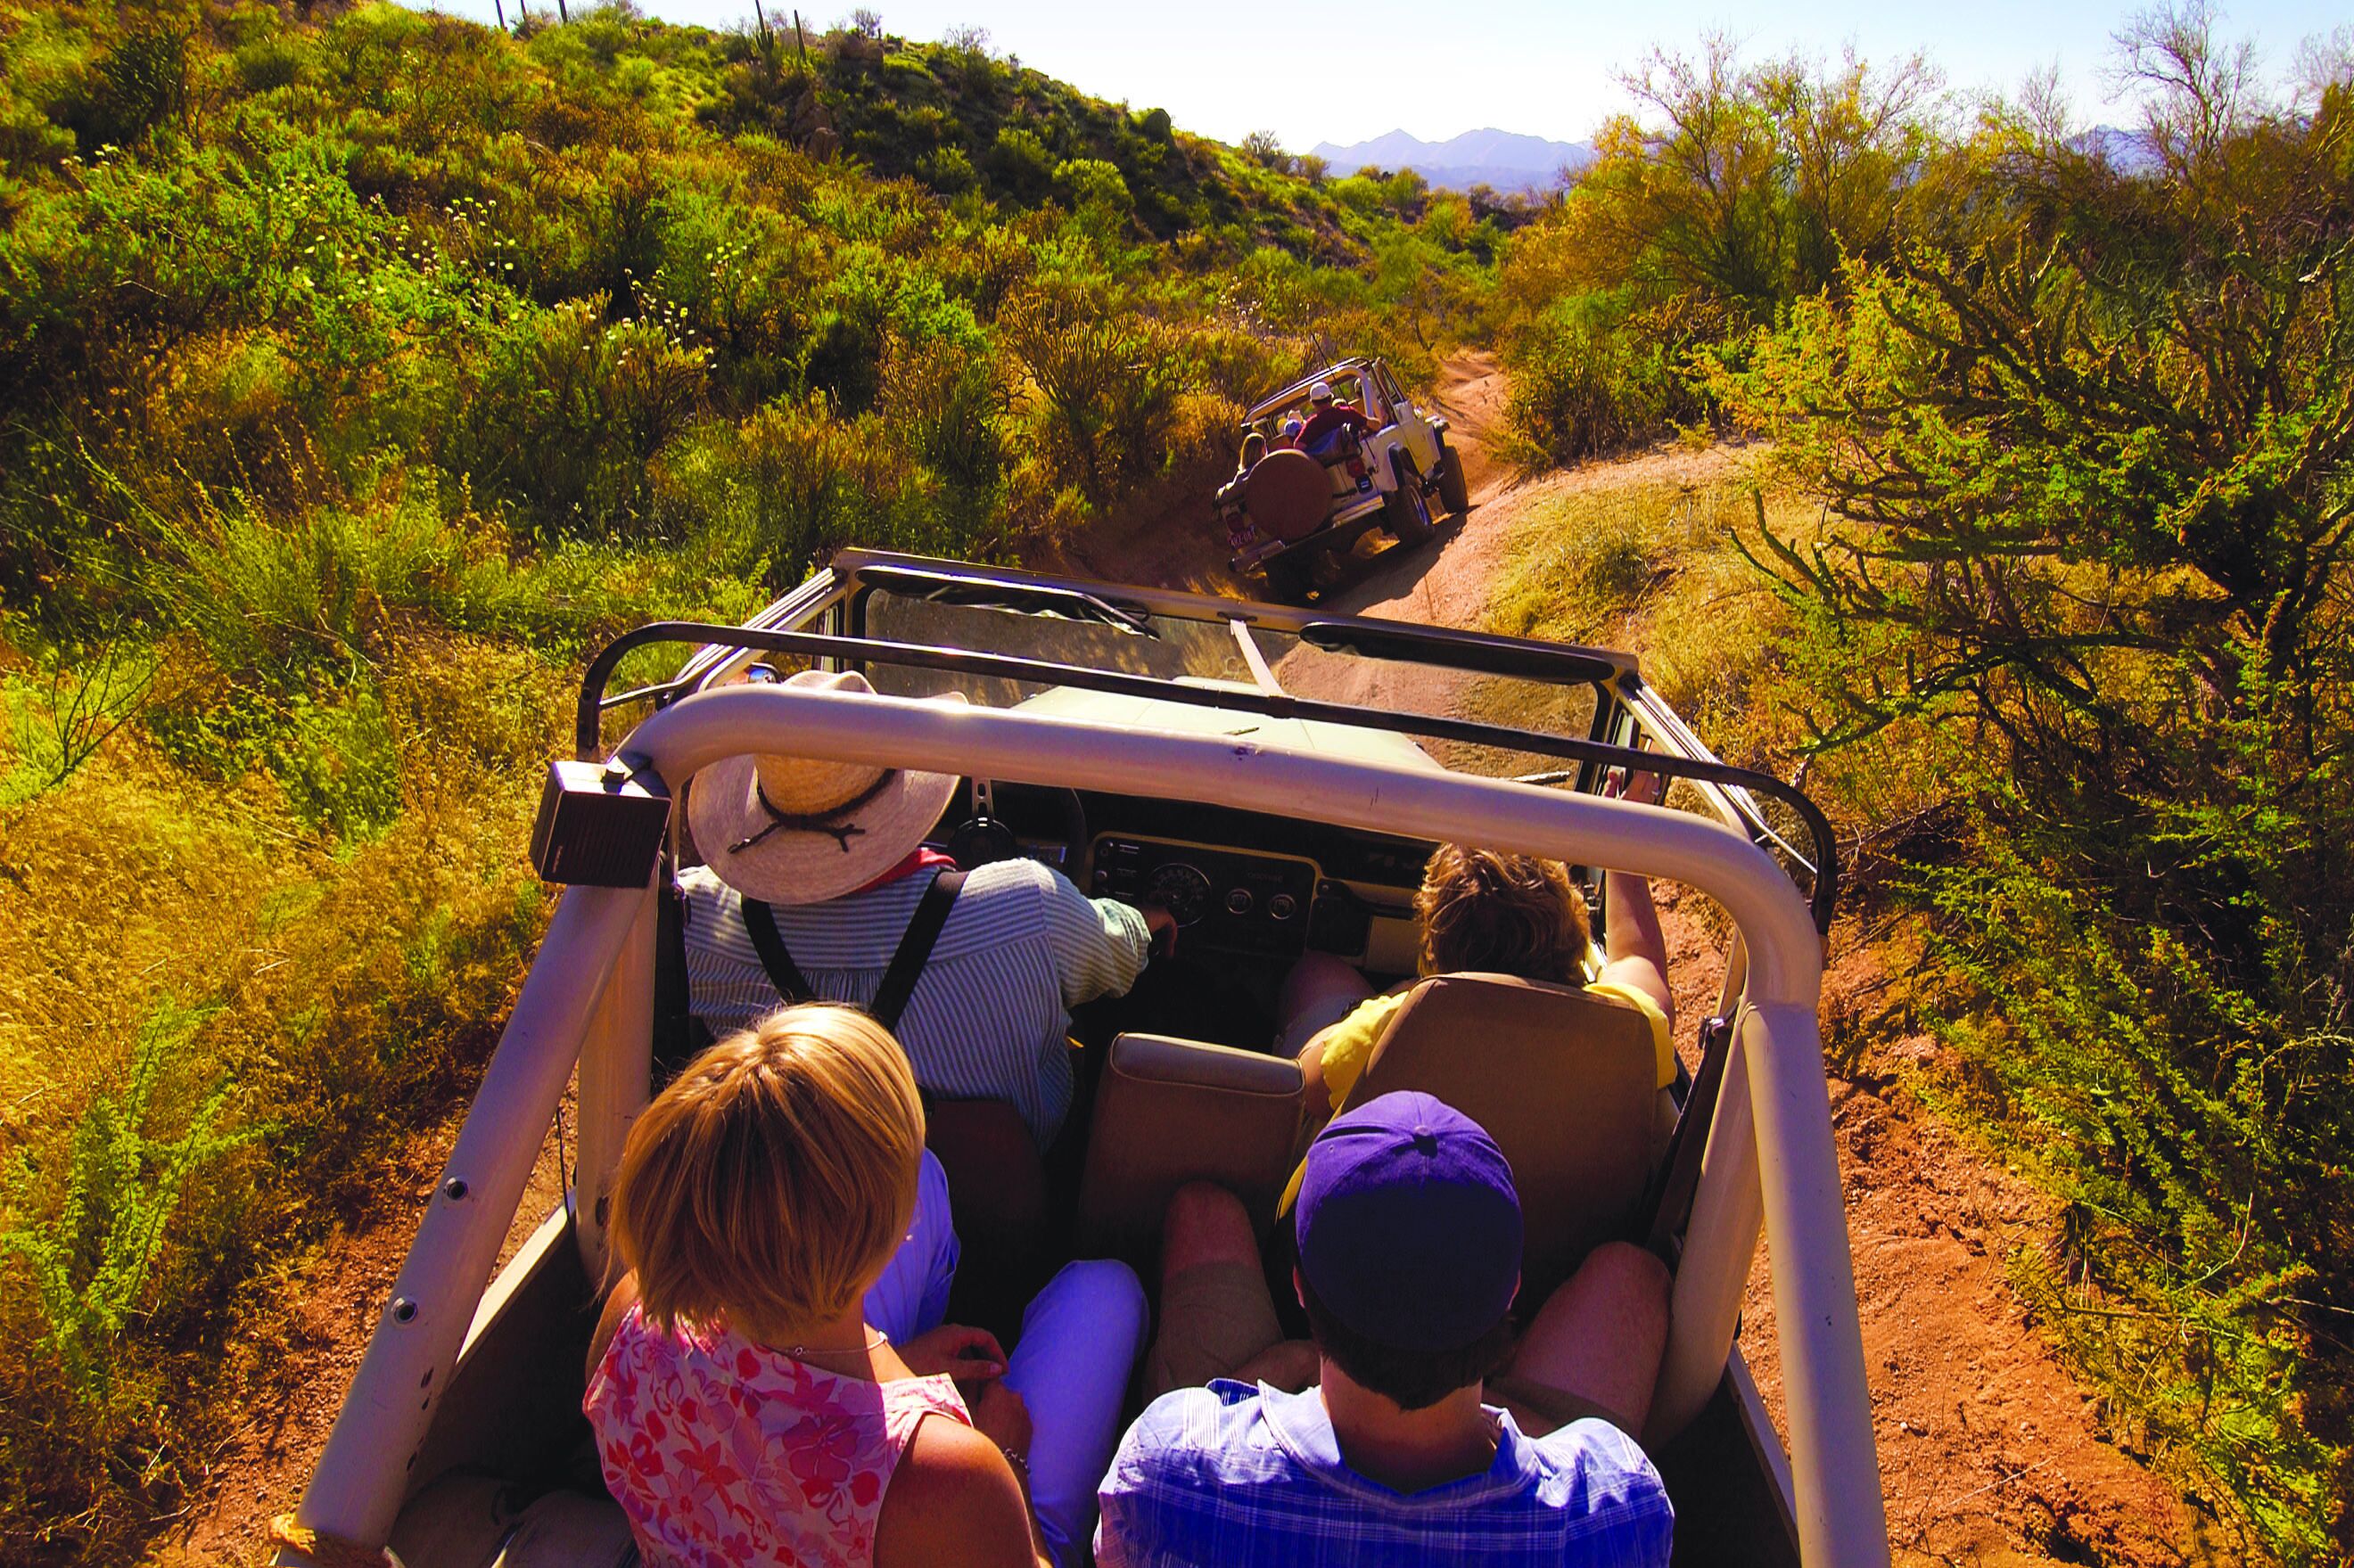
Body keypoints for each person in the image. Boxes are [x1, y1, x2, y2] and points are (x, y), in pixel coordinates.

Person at [585, 1005, 1148, 1568]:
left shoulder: (630, 1318)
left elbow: (762, 1409)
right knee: (1108, 1290)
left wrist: (896, 1366)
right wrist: (1008, 1457)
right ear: (893, 1232)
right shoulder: (956, 1479)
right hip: (951, 1507)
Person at [1097, 1093, 1675, 1568]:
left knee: (1205, 1212)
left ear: (1299, 1286)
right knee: (1632, 1278)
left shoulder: (1170, 1473)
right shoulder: (1619, 1507)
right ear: (1511, 1293)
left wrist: (1282, 1369)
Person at [679, 669, 1176, 1150]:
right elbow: (1121, 959)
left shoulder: (694, 920)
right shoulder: (1031, 908)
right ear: (905, 792)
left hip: (800, 1216)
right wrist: (1147, 919)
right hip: (997, 1214)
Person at [1278, 767, 1678, 1108]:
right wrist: (1622, 844)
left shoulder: (1387, 1032)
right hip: (1574, 1201)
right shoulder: (1628, 1031)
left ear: (1436, 944)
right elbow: (1636, 958)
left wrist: (1390, 1001)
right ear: (1570, 920)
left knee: (1316, 972)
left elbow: (1301, 1086)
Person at [1294, 379, 1375, 458]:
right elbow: (1375, 425)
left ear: (1313, 404)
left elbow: (1298, 447)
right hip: (1356, 456)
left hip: (1326, 470)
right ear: (1330, 398)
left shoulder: (1312, 425)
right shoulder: (1347, 413)